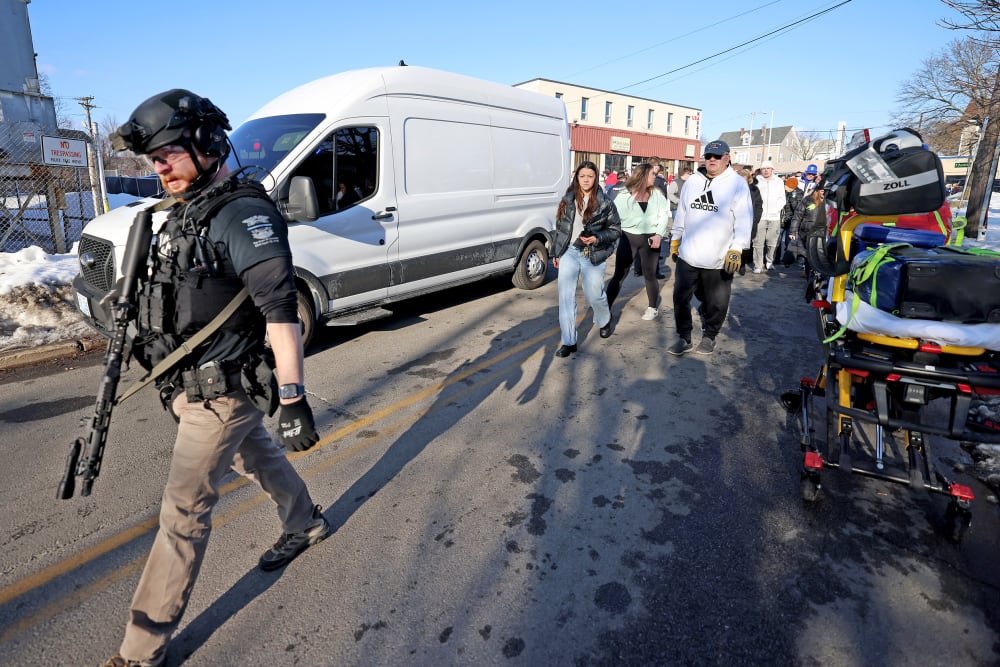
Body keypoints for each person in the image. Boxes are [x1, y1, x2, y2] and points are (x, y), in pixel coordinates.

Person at [102, 89, 328, 667]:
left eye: (166, 156)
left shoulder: (242, 214)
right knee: (256, 456)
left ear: (204, 143)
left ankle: (139, 650)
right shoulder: (186, 209)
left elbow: (280, 309)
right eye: (151, 160)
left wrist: (293, 395)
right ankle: (304, 522)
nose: (158, 169)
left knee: (182, 514)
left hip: (222, 391)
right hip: (189, 386)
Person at [667, 139, 753, 355]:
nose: (712, 160)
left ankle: (709, 336)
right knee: (680, 299)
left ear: (727, 157)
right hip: (689, 254)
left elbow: (744, 219)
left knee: (717, 302)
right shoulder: (693, 181)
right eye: (708, 156)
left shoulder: (737, 183)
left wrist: (737, 248)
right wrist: (676, 239)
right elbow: (683, 212)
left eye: (717, 156)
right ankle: (684, 336)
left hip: (718, 257)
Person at [551, 161, 621, 357]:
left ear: (596, 177)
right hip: (569, 252)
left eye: (590, 176)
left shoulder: (605, 202)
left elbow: (616, 230)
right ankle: (569, 341)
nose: (586, 180)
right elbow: (560, 228)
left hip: (592, 253)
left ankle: (604, 319)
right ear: (577, 177)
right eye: (582, 176)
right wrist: (556, 252)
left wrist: (597, 238)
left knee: (594, 294)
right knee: (565, 297)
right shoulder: (568, 199)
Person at [605, 163, 671, 320]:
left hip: (651, 239)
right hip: (629, 238)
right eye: (652, 174)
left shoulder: (657, 194)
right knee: (619, 275)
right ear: (642, 176)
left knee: (650, 274)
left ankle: (652, 307)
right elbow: (614, 218)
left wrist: (659, 235)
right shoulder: (623, 195)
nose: (655, 177)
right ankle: (605, 309)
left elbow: (663, 216)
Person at [633, 160, 669, 278]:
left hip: (652, 226)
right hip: (638, 227)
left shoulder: (658, 183)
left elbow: (663, 209)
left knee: (652, 249)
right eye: (657, 165)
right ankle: (640, 269)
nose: (657, 168)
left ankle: (648, 271)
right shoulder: (631, 190)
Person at [752, 160, 786, 273]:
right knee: (758, 241)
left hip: (774, 216)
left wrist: (776, 209)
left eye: (768, 168)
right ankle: (758, 264)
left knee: (772, 241)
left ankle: (769, 261)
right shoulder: (757, 181)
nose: (766, 170)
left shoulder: (778, 181)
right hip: (760, 216)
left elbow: (782, 198)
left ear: (772, 169)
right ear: (761, 170)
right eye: (763, 168)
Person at [789, 184, 827, 278]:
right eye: (822, 191)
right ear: (817, 191)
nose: (824, 193)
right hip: (807, 233)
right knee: (808, 256)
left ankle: (816, 275)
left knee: (819, 256)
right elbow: (797, 216)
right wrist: (793, 231)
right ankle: (809, 274)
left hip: (824, 233)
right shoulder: (808, 200)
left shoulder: (831, 202)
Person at [737, 168, 762, 276]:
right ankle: (733, 262)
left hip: (749, 220)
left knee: (745, 244)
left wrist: (755, 219)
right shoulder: (732, 189)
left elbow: (758, 205)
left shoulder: (754, 190)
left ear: (748, 179)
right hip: (735, 219)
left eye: (744, 178)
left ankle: (742, 264)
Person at [776, 176, 803, 266]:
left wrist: (792, 197)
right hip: (781, 219)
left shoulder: (798, 193)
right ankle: (776, 258)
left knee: (789, 241)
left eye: (786, 185)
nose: (785, 187)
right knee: (777, 241)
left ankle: (788, 259)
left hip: (791, 222)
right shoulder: (783, 192)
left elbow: (797, 209)